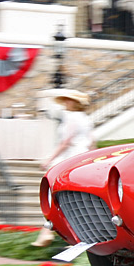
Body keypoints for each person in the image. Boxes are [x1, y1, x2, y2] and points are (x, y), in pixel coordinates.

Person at [35, 90, 95, 246]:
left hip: (69, 160)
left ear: (75, 103)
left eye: (69, 101)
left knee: (53, 194)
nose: (66, 103)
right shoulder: (86, 119)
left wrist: (49, 159)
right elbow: (92, 142)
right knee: (75, 198)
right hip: (82, 161)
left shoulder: (71, 118)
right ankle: (75, 235)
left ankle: (48, 230)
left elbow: (66, 142)